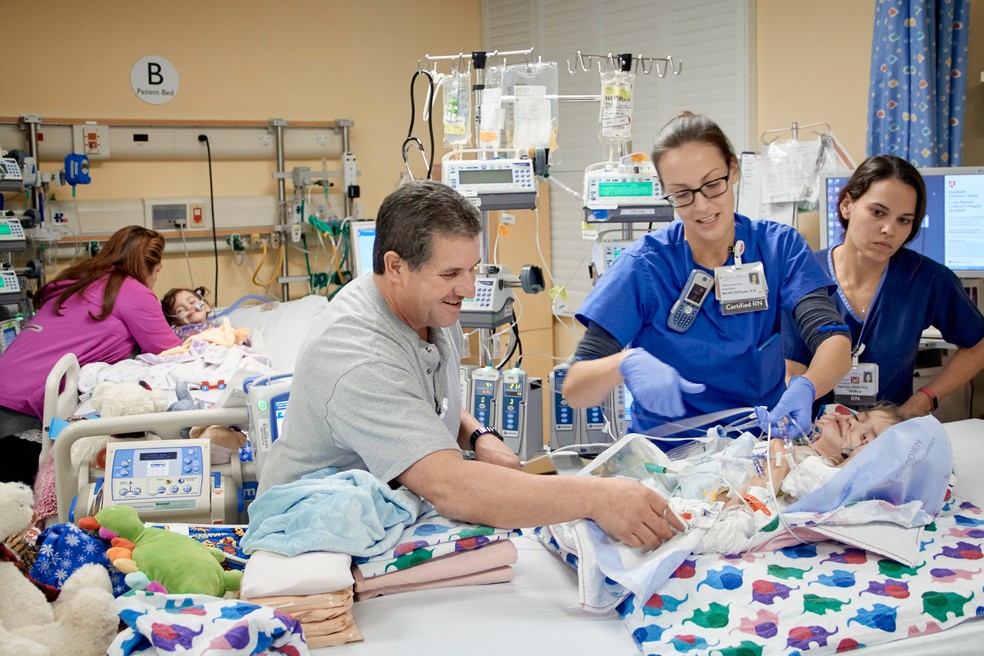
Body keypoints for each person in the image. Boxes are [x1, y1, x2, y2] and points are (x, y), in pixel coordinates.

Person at [258, 180, 684, 549]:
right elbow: (452, 487)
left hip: (386, 510)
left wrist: (478, 434)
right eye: (450, 274)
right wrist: (597, 497)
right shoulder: (356, 353)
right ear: (395, 266)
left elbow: (420, 398)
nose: (467, 288)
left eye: (473, 269)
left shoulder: (427, 308)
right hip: (314, 533)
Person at [562, 112, 853, 447]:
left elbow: (833, 340)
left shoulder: (779, 248)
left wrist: (807, 386)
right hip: (665, 464)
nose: (701, 206)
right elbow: (575, 387)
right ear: (665, 192)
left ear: (734, 169)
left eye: (713, 185)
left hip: (760, 455)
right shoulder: (643, 267)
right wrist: (624, 363)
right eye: (682, 194)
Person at [783, 155, 984, 417]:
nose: (889, 229)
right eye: (878, 212)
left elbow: (977, 345)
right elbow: (793, 369)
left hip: (888, 434)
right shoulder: (805, 274)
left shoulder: (927, 280)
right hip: (816, 433)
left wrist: (923, 401)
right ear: (846, 205)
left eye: (904, 220)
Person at [0, 225, 182, 486]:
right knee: (13, 498)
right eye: (157, 272)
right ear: (150, 268)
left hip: (8, 379)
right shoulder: (132, 291)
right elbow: (169, 351)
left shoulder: (79, 280)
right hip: (25, 409)